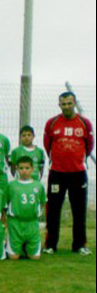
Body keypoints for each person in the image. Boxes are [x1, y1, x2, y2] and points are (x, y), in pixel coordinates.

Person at [43, 91, 94, 256]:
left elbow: (89, 146)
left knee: (79, 210)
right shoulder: (52, 123)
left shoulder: (84, 123)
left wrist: (77, 159)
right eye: (63, 104)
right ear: (59, 105)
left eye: (69, 103)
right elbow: (47, 145)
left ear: (75, 103)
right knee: (53, 210)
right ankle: (50, 245)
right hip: (57, 173)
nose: (66, 107)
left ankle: (79, 245)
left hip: (78, 173)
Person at [7, 156, 46, 261]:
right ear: (17, 169)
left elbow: (42, 202)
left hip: (32, 222)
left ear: (32, 169)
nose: (24, 171)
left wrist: (37, 213)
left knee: (35, 258)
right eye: (21, 168)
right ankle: (12, 245)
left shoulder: (38, 185)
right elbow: (6, 203)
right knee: (13, 257)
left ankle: (25, 247)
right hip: (15, 222)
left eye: (27, 168)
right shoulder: (11, 185)